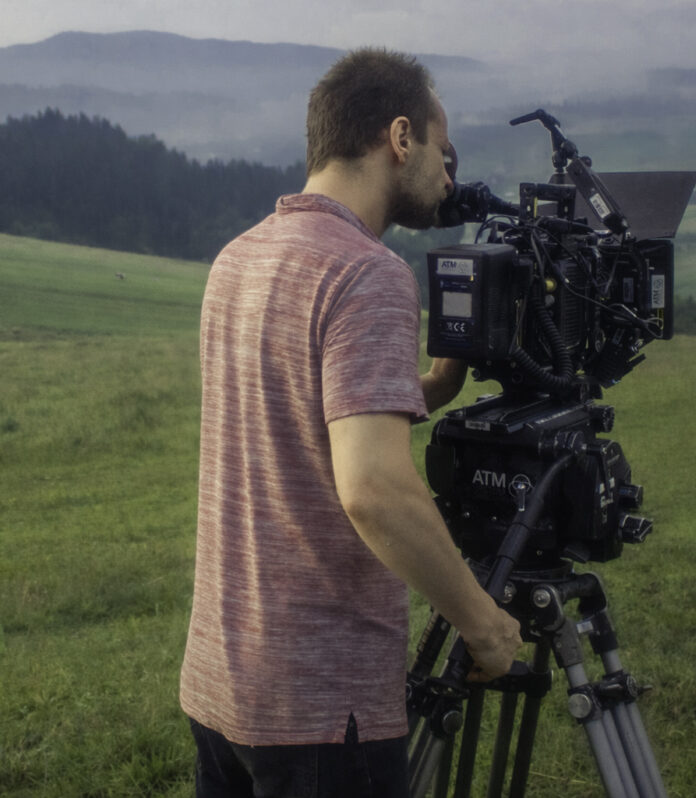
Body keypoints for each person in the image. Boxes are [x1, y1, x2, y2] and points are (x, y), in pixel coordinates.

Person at [179, 48, 522, 798]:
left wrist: (430, 388)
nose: (449, 179)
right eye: (444, 152)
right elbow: (371, 489)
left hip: (221, 682)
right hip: (321, 708)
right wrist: (484, 624)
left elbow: (298, 416)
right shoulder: (367, 273)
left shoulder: (238, 258)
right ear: (400, 138)